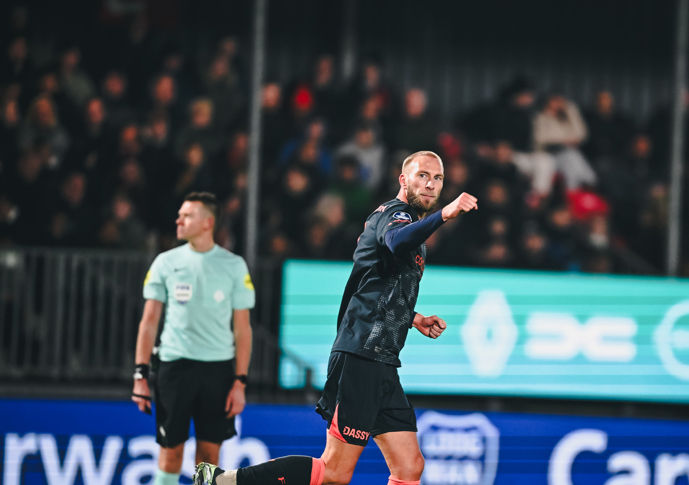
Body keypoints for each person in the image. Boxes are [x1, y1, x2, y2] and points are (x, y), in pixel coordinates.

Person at [192, 151, 478, 485]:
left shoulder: (412, 225)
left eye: (438, 178)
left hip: (383, 360)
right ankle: (224, 481)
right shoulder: (393, 215)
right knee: (334, 473)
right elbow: (397, 241)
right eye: (422, 175)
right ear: (403, 180)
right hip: (362, 356)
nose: (430, 184)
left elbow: (375, 284)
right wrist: (444, 213)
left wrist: (412, 318)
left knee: (409, 466)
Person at [132, 192, 255, 485]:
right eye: (179, 214)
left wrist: (240, 381)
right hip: (174, 368)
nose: (179, 220)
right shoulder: (165, 262)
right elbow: (148, 323)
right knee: (170, 455)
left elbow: (243, 329)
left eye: (187, 215)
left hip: (218, 371)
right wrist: (140, 374)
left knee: (209, 459)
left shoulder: (234, 265)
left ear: (207, 222)